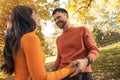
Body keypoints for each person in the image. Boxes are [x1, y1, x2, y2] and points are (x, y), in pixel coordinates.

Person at [1, 5, 75, 80]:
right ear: (29, 18)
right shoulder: (29, 38)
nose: (38, 18)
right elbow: (42, 78)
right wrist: (70, 69)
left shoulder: (19, 39)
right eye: (35, 14)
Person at [52, 8, 99, 80]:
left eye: (58, 17)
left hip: (81, 73)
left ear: (66, 15)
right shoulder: (58, 39)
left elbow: (94, 50)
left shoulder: (82, 30)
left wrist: (85, 61)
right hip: (63, 74)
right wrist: (53, 68)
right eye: (55, 20)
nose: (57, 21)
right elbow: (59, 56)